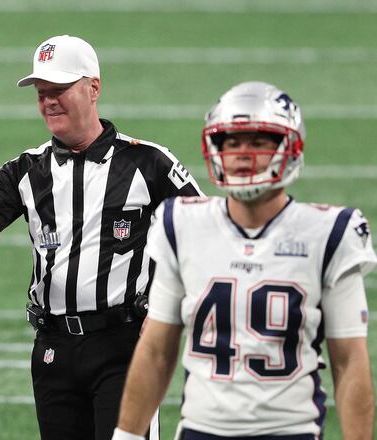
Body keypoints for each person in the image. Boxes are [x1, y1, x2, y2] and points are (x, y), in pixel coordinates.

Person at [0, 35, 202, 440]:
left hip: (124, 346)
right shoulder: (26, 169)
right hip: (52, 349)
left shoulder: (148, 162)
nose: (49, 102)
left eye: (59, 90)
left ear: (93, 87)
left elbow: (206, 236)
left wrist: (169, 310)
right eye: (42, 93)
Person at [113, 81, 376, 440]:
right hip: (202, 431)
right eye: (232, 142)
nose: (241, 153)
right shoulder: (182, 225)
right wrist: (126, 436)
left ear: (290, 147)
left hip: (291, 431)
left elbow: (349, 363)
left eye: (257, 142)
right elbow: (157, 351)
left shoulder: (329, 234)